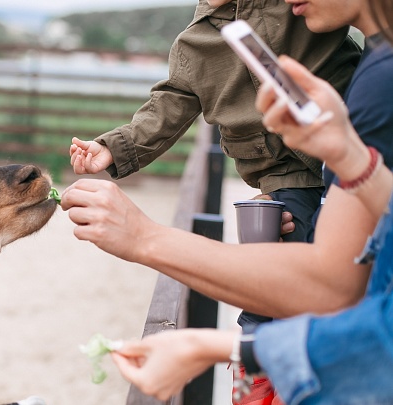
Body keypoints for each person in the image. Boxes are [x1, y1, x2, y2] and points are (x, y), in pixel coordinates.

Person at [59, 0, 393, 403]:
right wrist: (115, 147)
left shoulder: (373, 77)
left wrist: (143, 237)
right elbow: (171, 101)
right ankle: (259, 362)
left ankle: (261, 367)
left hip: (325, 156)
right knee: (283, 253)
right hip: (288, 171)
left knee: (297, 280)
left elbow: (334, 286)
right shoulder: (197, 42)